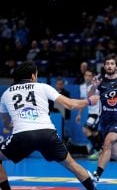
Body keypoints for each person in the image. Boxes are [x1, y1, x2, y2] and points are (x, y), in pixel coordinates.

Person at [0, 61, 99, 190]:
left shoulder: (6, 94)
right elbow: (70, 104)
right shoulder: (42, 87)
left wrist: (21, 121)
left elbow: (6, 123)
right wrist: (89, 101)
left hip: (22, 135)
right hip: (47, 134)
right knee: (72, 165)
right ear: (33, 76)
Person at [76, 68, 102, 160]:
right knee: (94, 133)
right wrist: (79, 114)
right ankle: (101, 150)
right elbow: (84, 101)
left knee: (85, 129)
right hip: (90, 113)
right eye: (86, 75)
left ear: (92, 77)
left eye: (89, 75)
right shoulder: (82, 87)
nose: (87, 77)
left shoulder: (97, 86)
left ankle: (98, 150)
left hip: (96, 113)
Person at [48, 77, 71, 142]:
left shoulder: (66, 93)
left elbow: (68, 104)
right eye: (58, 84)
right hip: (53, 115)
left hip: (63, 115)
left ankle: (63, 141)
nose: (59, 85)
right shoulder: (52, 92)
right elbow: (50, 104)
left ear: (63, 84)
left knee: (63, 130)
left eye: (60, 84)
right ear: (56, 84)